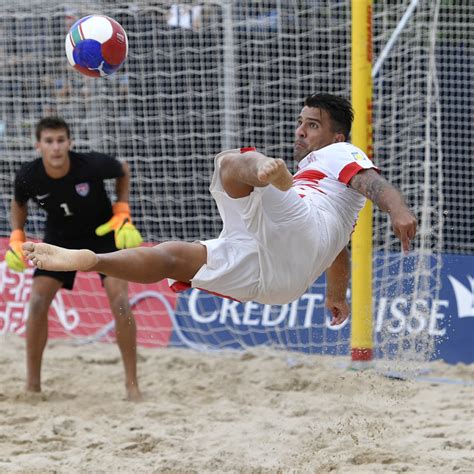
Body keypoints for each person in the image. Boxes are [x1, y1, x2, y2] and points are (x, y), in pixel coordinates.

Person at [22, 94, 417, 328]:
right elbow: (337, 249)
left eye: (311, 125)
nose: (300, 131)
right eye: (300, 123)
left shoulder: (340, 152)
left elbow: (374, 185)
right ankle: (91, 259)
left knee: (231, 162)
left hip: (297, 228)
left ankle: (260, 167)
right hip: (283, 275)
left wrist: (397, 210)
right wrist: (336, 295)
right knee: (174, 256)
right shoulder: (315, 178)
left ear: (336, 136)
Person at [5, 117, 144, 401]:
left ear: (70, 143)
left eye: (60, 141)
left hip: (103, 237)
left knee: (120, 302)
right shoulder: (28, 175)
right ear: (38, 145)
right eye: (49, 141)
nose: (55, 147)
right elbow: (19, 203)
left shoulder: (90, 165)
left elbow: (123, 170)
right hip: (60, 240)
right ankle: (33, 386)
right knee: (37, 302)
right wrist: (17, 233)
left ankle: (132, 386)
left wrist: (122, 209)